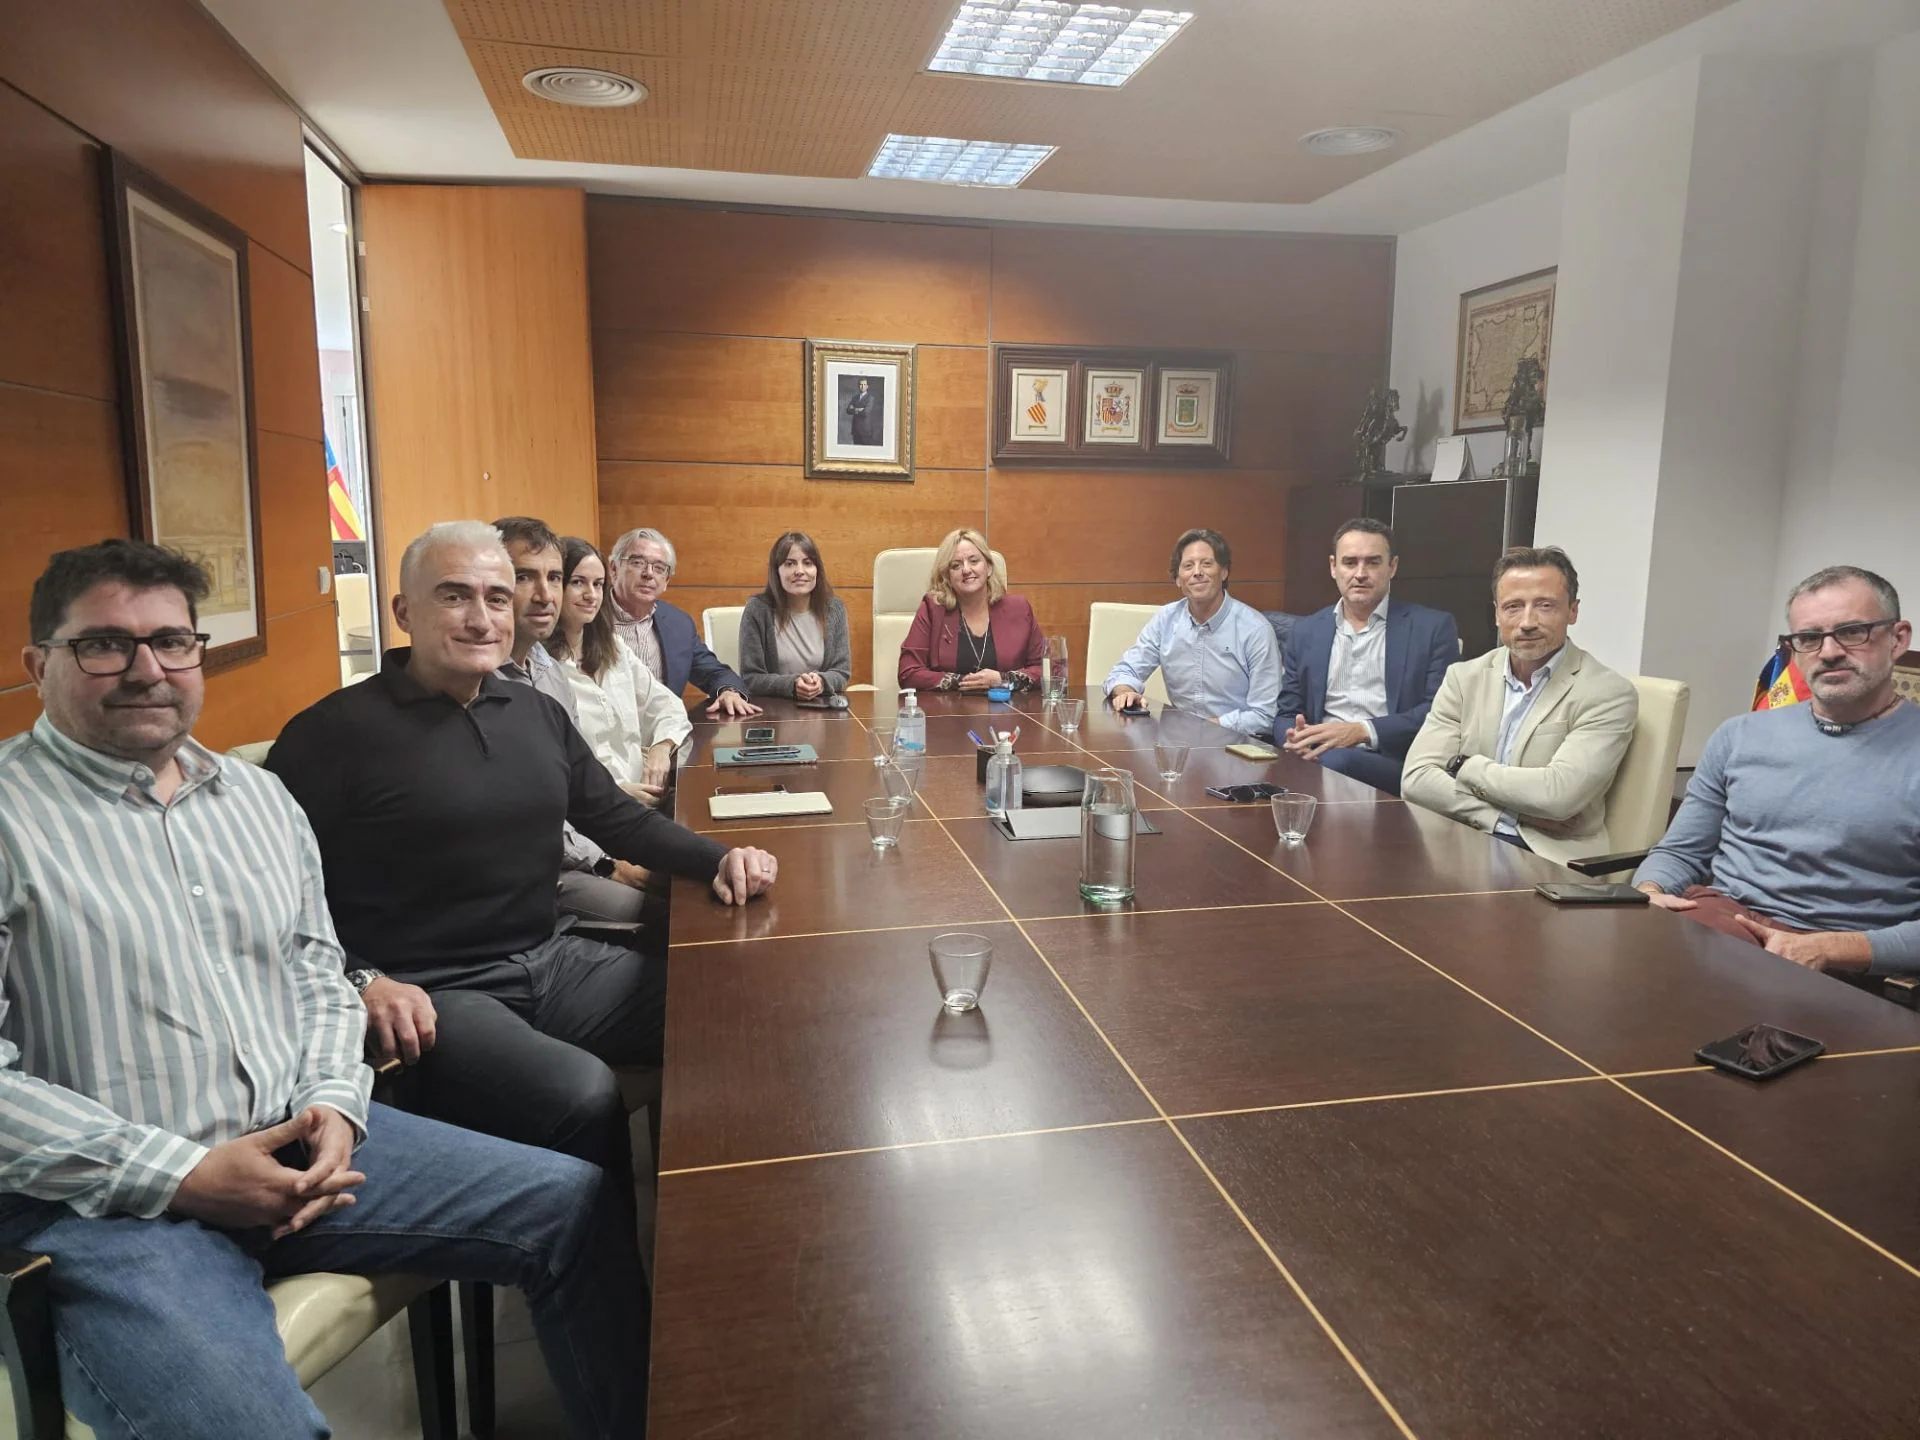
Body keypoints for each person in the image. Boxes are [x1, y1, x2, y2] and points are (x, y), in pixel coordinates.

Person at [1, 538, 647, 1437]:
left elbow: (315, 970)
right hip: (115, 1206)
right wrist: (184, 1173)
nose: (147, 669)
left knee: (572, 1206)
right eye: (105, 645)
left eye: (173, 643)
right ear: (39, 665)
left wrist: (337, 1109)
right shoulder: (11, 818)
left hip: (312, 1149)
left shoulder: (256, 804)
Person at [264, 522, 777, 1339]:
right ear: (403, 610)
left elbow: (614, 819)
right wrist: (363, 977)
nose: (482, 617)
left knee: (733, 1006)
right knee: (583, 1095)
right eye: (454, 596)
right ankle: (625, 1328)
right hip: (436, 996)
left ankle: (736, 1272)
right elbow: (275, 904)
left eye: (496, 598)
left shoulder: (533, 713)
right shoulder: (328, 737)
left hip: (554, 959)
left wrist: (716, 858)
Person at [1635, 565, 1919, 976]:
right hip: (1718, 925)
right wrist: (1649, 891)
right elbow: (1681, 852)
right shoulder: (1739, 735)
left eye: (1852, 631)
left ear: (1898, 639)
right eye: (1808, 638)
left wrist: (1839, 948)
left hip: (1845, 957)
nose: (1829, 651)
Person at [1402, 546, 1638, 864]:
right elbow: (1416, 779)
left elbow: (1558, 797)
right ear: (1497, 613)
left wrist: (1462, 766)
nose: (1527, 622)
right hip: (1462, 841)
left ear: (1573, 611)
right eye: (1513, 607)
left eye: (1544, 606)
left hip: (1547, 855)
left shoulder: (1607, 693)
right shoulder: (1464, 677)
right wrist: (1511, 816)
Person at [492, 516, 661, 930]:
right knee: (676, 916)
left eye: (553, 578)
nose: (544, 594)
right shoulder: (483, 682)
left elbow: (576, 787)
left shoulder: (546, 669)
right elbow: (535, 814)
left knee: (694, 880)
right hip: (542, 874)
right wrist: (608, 864)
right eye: (525, 578)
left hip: (593, 836)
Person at [1276, 517, 1459, 795]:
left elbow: (1438, 712)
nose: (1360, 573)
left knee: (1335, 760)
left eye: (1372, 562)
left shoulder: (1431, 628)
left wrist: (1362, 730)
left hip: (1393, 759)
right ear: (1333, 567)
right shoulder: (1307, 630)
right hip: (1317, 755)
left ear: (1392, 567)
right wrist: (1293, 738)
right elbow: (1287, 712)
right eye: (1350, 562)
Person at [1104, 528, 1280, 735]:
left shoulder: (1255, 629)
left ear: (1224, 572)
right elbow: (1124, 671)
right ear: (1178, 579)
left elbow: (1265, 715)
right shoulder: (1166, 620)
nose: (1197, 572)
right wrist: (1125, 691)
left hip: (1237, 745)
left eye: (1207, 563)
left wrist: (1207, 728)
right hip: (1181, 744)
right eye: (1188, 566)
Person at [551, 534, 692, 792]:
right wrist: (617, 794)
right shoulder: (541, 669)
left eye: (597, 584)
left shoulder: (614, 647)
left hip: (646, 791)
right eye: (577, 582)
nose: (590, 594)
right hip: (596, 809)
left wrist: (662, 747)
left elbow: (668, 706)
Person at [605, 526, 761, 718]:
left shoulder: (678, 624)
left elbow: (716, 673)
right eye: (638, 563)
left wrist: (728, 691)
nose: (648, 573)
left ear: (666, 580)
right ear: (613, 569)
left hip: (664, 738)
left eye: (659, 568)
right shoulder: (588, 619)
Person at [898, 528, 1047, 693]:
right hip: (947, 713)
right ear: (947, 577)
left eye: (974, 561)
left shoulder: (1019, 608)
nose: (966, 570)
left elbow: (1046, 670)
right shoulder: (933, 609)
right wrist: (963, 682)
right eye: (956, 565)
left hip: (1009, 712)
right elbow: (908, 673)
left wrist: (1002, 680)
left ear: (989, 567)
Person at [738, 530, 851, 698]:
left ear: (817, 569)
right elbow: (750, 678)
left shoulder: (834, 608)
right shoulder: (758, 610)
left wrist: (822, 682)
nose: (799, 571)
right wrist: (792, 685)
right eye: (790, 564)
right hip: (773, 712)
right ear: (776, 571)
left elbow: (841, 673)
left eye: (807, 563)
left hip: (821, 709)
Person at [846, 376, 881, 446]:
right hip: (855, 430)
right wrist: (859, 409)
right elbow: (848, 410)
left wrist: (854, 409)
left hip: (865, 430)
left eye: (864, 385)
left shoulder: (870, 398)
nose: (862, 386)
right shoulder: (855, 398)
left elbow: (865, 412)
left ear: (867, 386)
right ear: (858, 386)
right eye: (861, 384)